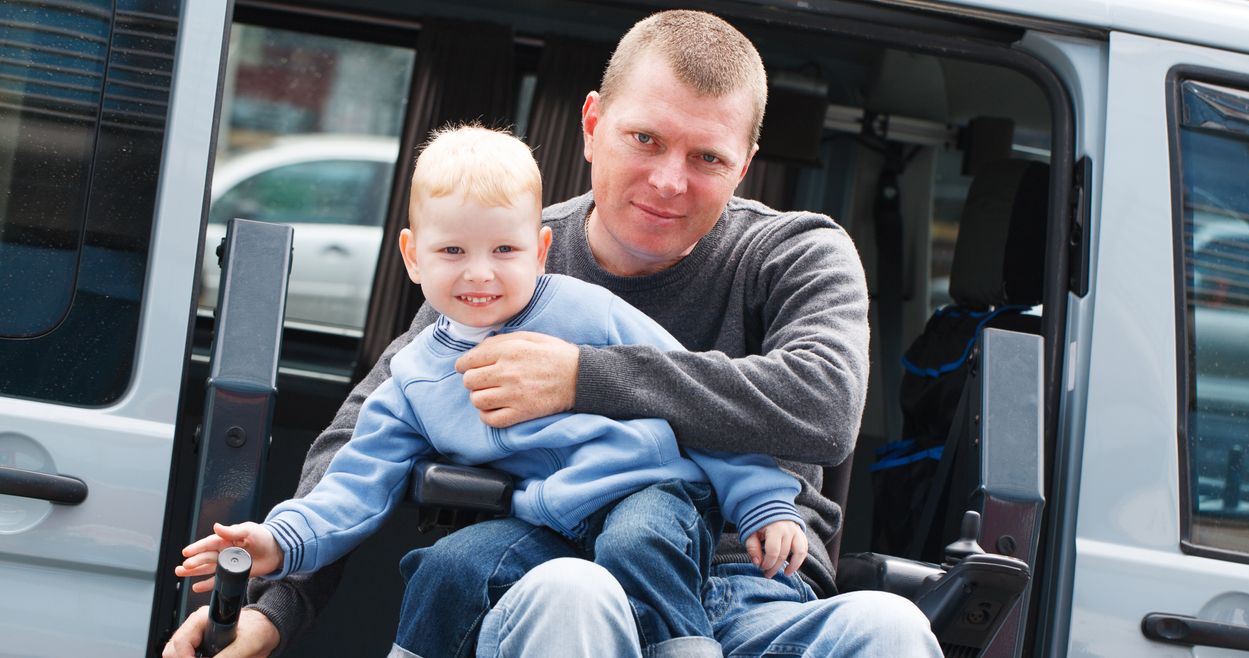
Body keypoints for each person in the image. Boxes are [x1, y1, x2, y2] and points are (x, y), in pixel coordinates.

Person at [164, 9, 943, 658]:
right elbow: (362, 443)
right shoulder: (496, 260)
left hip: (751, 591)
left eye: (707, 156)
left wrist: (583, 376)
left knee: (894, 627)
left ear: (745, 165)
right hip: (544, 572)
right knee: (578, 591)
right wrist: (270, 608)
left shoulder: (794, 252)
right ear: (594, 123)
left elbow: (827, 405)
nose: (670, 180)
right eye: (646, 139)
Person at [172, 126, 809, 657]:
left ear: (540, 250)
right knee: (448, 566)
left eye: (504, 249)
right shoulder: (415, 377)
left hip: (654, 495)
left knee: (634, 542)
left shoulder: (591, 313)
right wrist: (282, 541)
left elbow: (697, 405)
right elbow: (353, 482)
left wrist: (763, 504)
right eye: (452, 250)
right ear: (413, 256)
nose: (480, 273)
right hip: (551, 521)